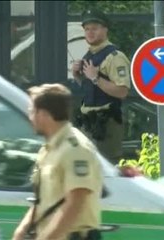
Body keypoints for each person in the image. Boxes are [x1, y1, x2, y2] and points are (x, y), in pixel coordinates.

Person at [12, 84, 103, 240]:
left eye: (32, 112)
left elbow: (75, 204)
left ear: (45, 115)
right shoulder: (48, 149)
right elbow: (42, 202)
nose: (30, 117)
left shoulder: (76, 150)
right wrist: (21, 231)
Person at [72, 8, 131, 164]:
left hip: (106, 126)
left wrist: (96, 77)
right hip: (87, 123)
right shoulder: (89, 55)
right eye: (87, 29)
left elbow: (122, 91)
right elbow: (90, 89)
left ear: (105, 29)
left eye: (95, 28)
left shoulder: (115, 57)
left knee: (106, 171)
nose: (90, 32)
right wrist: (78, 75)